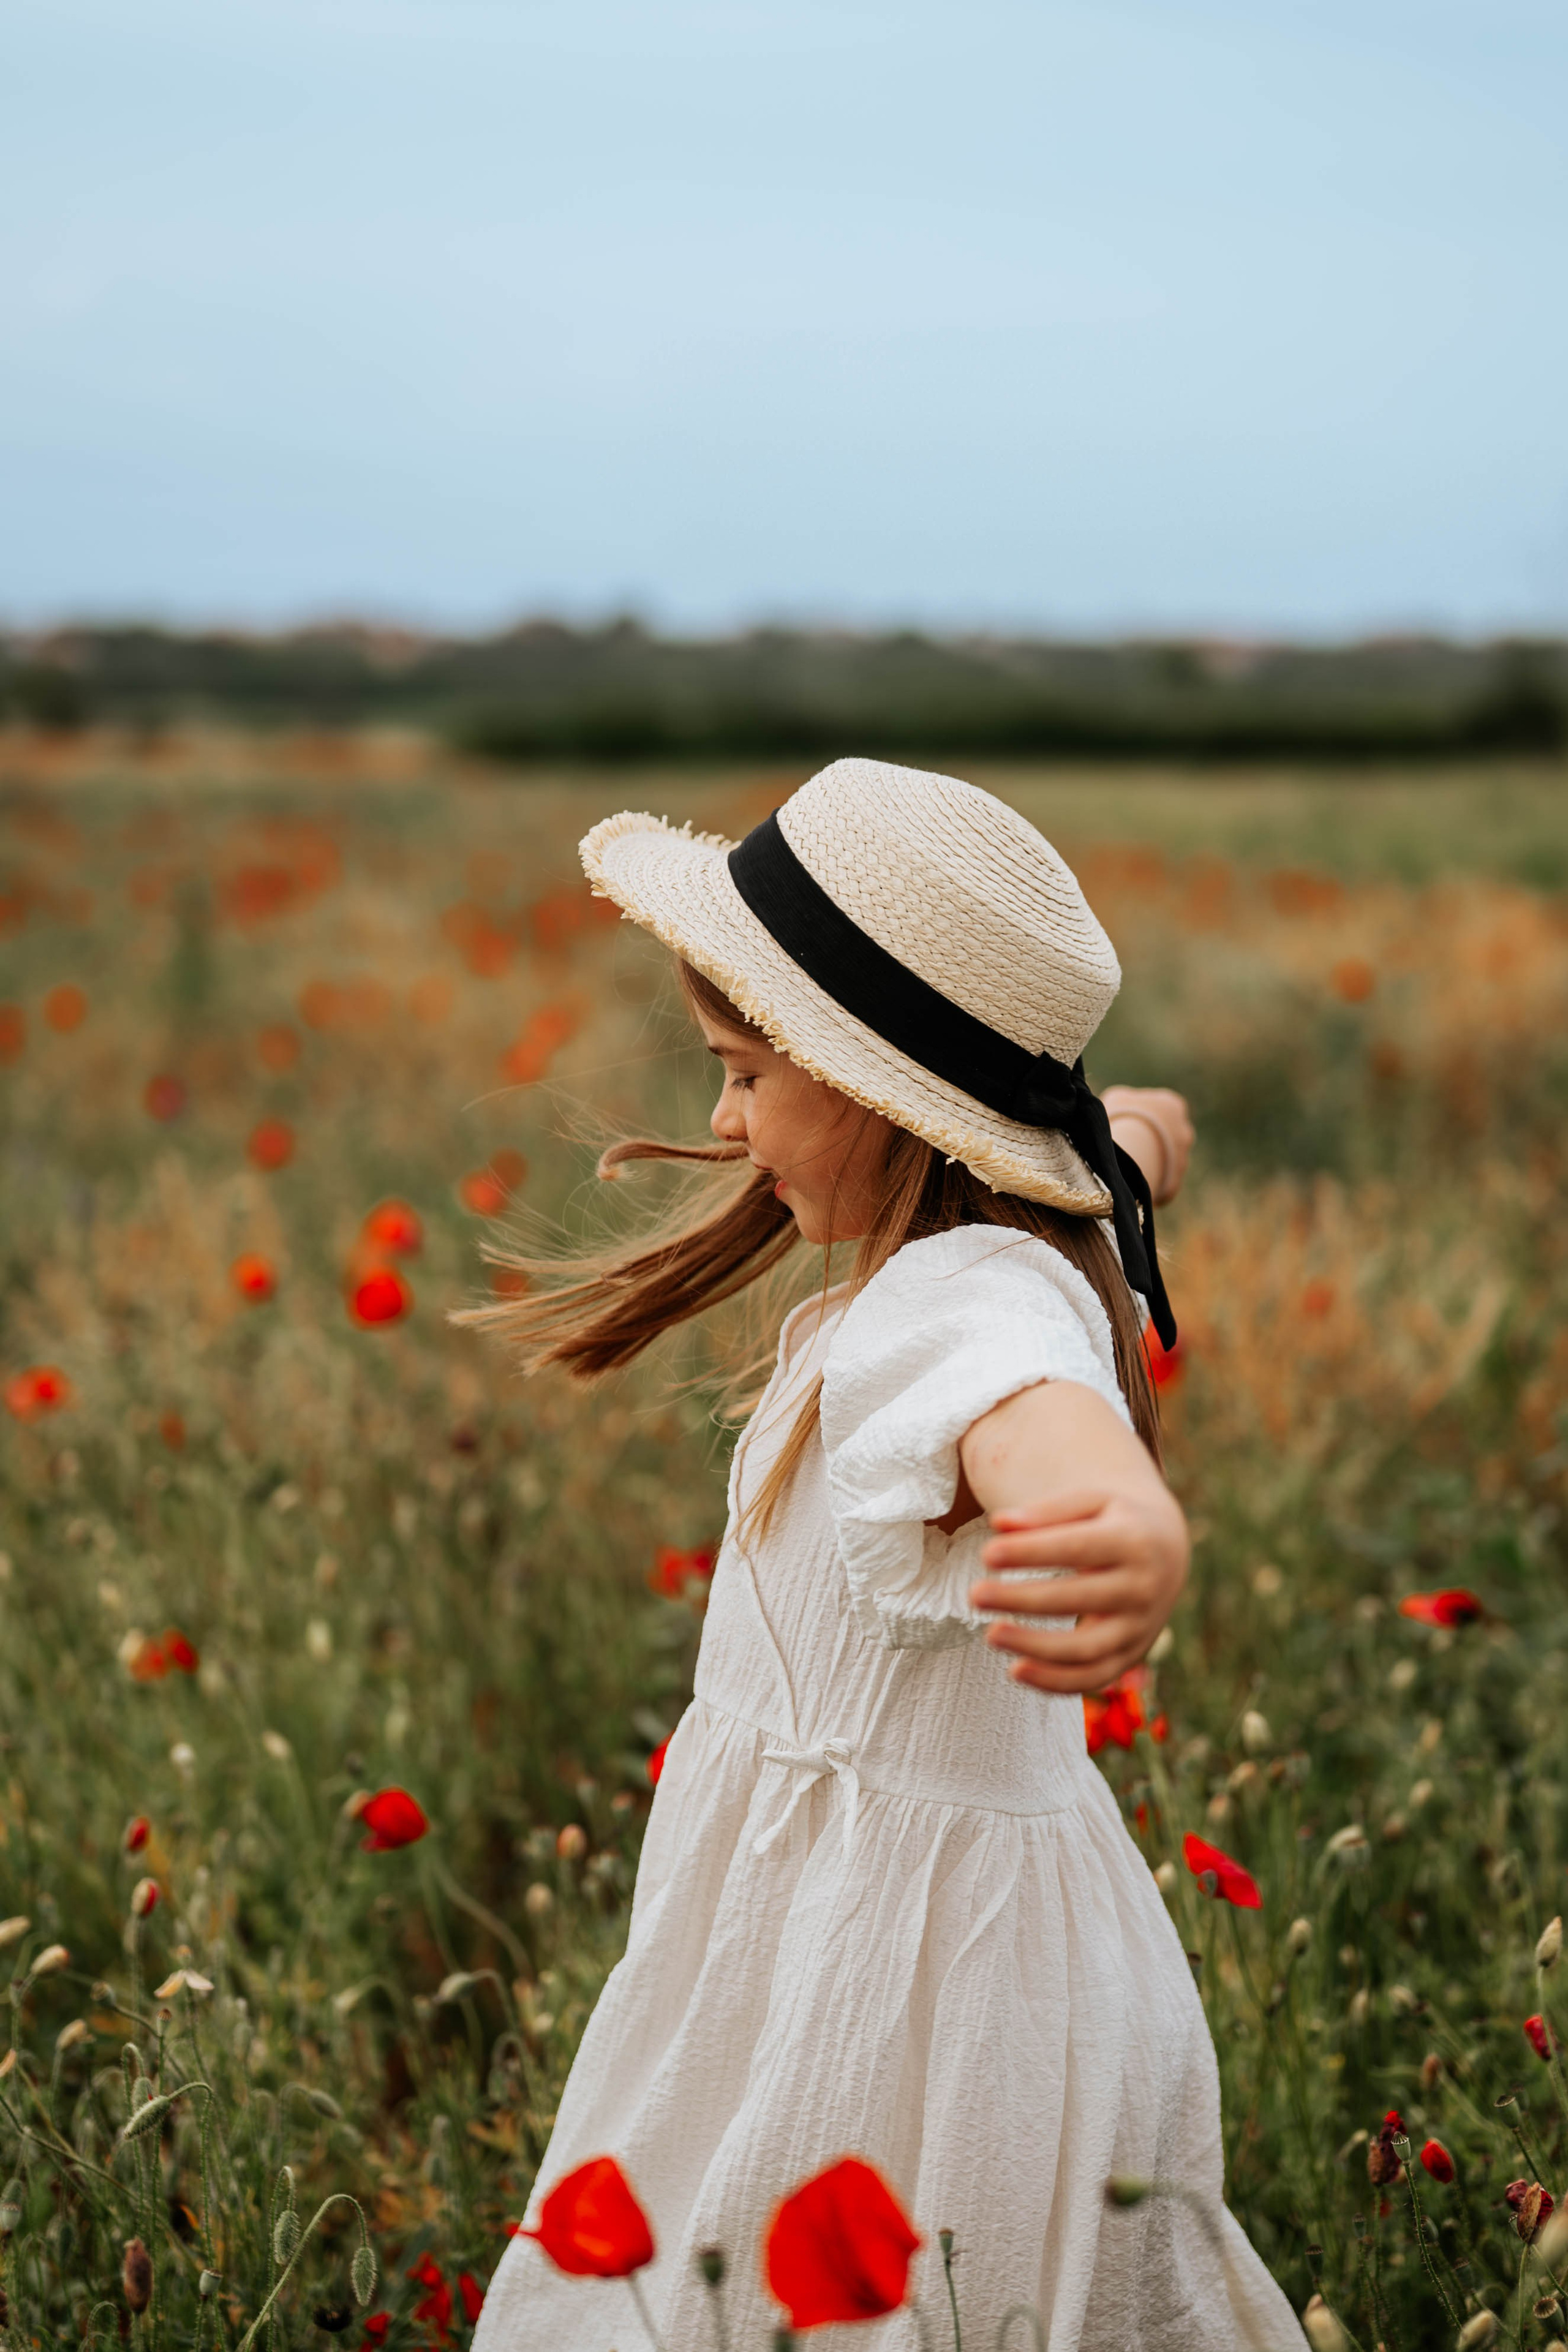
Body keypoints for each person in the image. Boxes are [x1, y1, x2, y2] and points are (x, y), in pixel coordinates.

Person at [470, 760, 1303, 2351]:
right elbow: (1138, 1133)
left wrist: (1116, 1511)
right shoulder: (1034, 1214)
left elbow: (1034, 1412)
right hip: (965, 1948)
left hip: (891, 1988)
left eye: (742, 1073)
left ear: (882, 1088)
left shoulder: (961, 1303)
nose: (722, 1120)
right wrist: (1138, 1126)